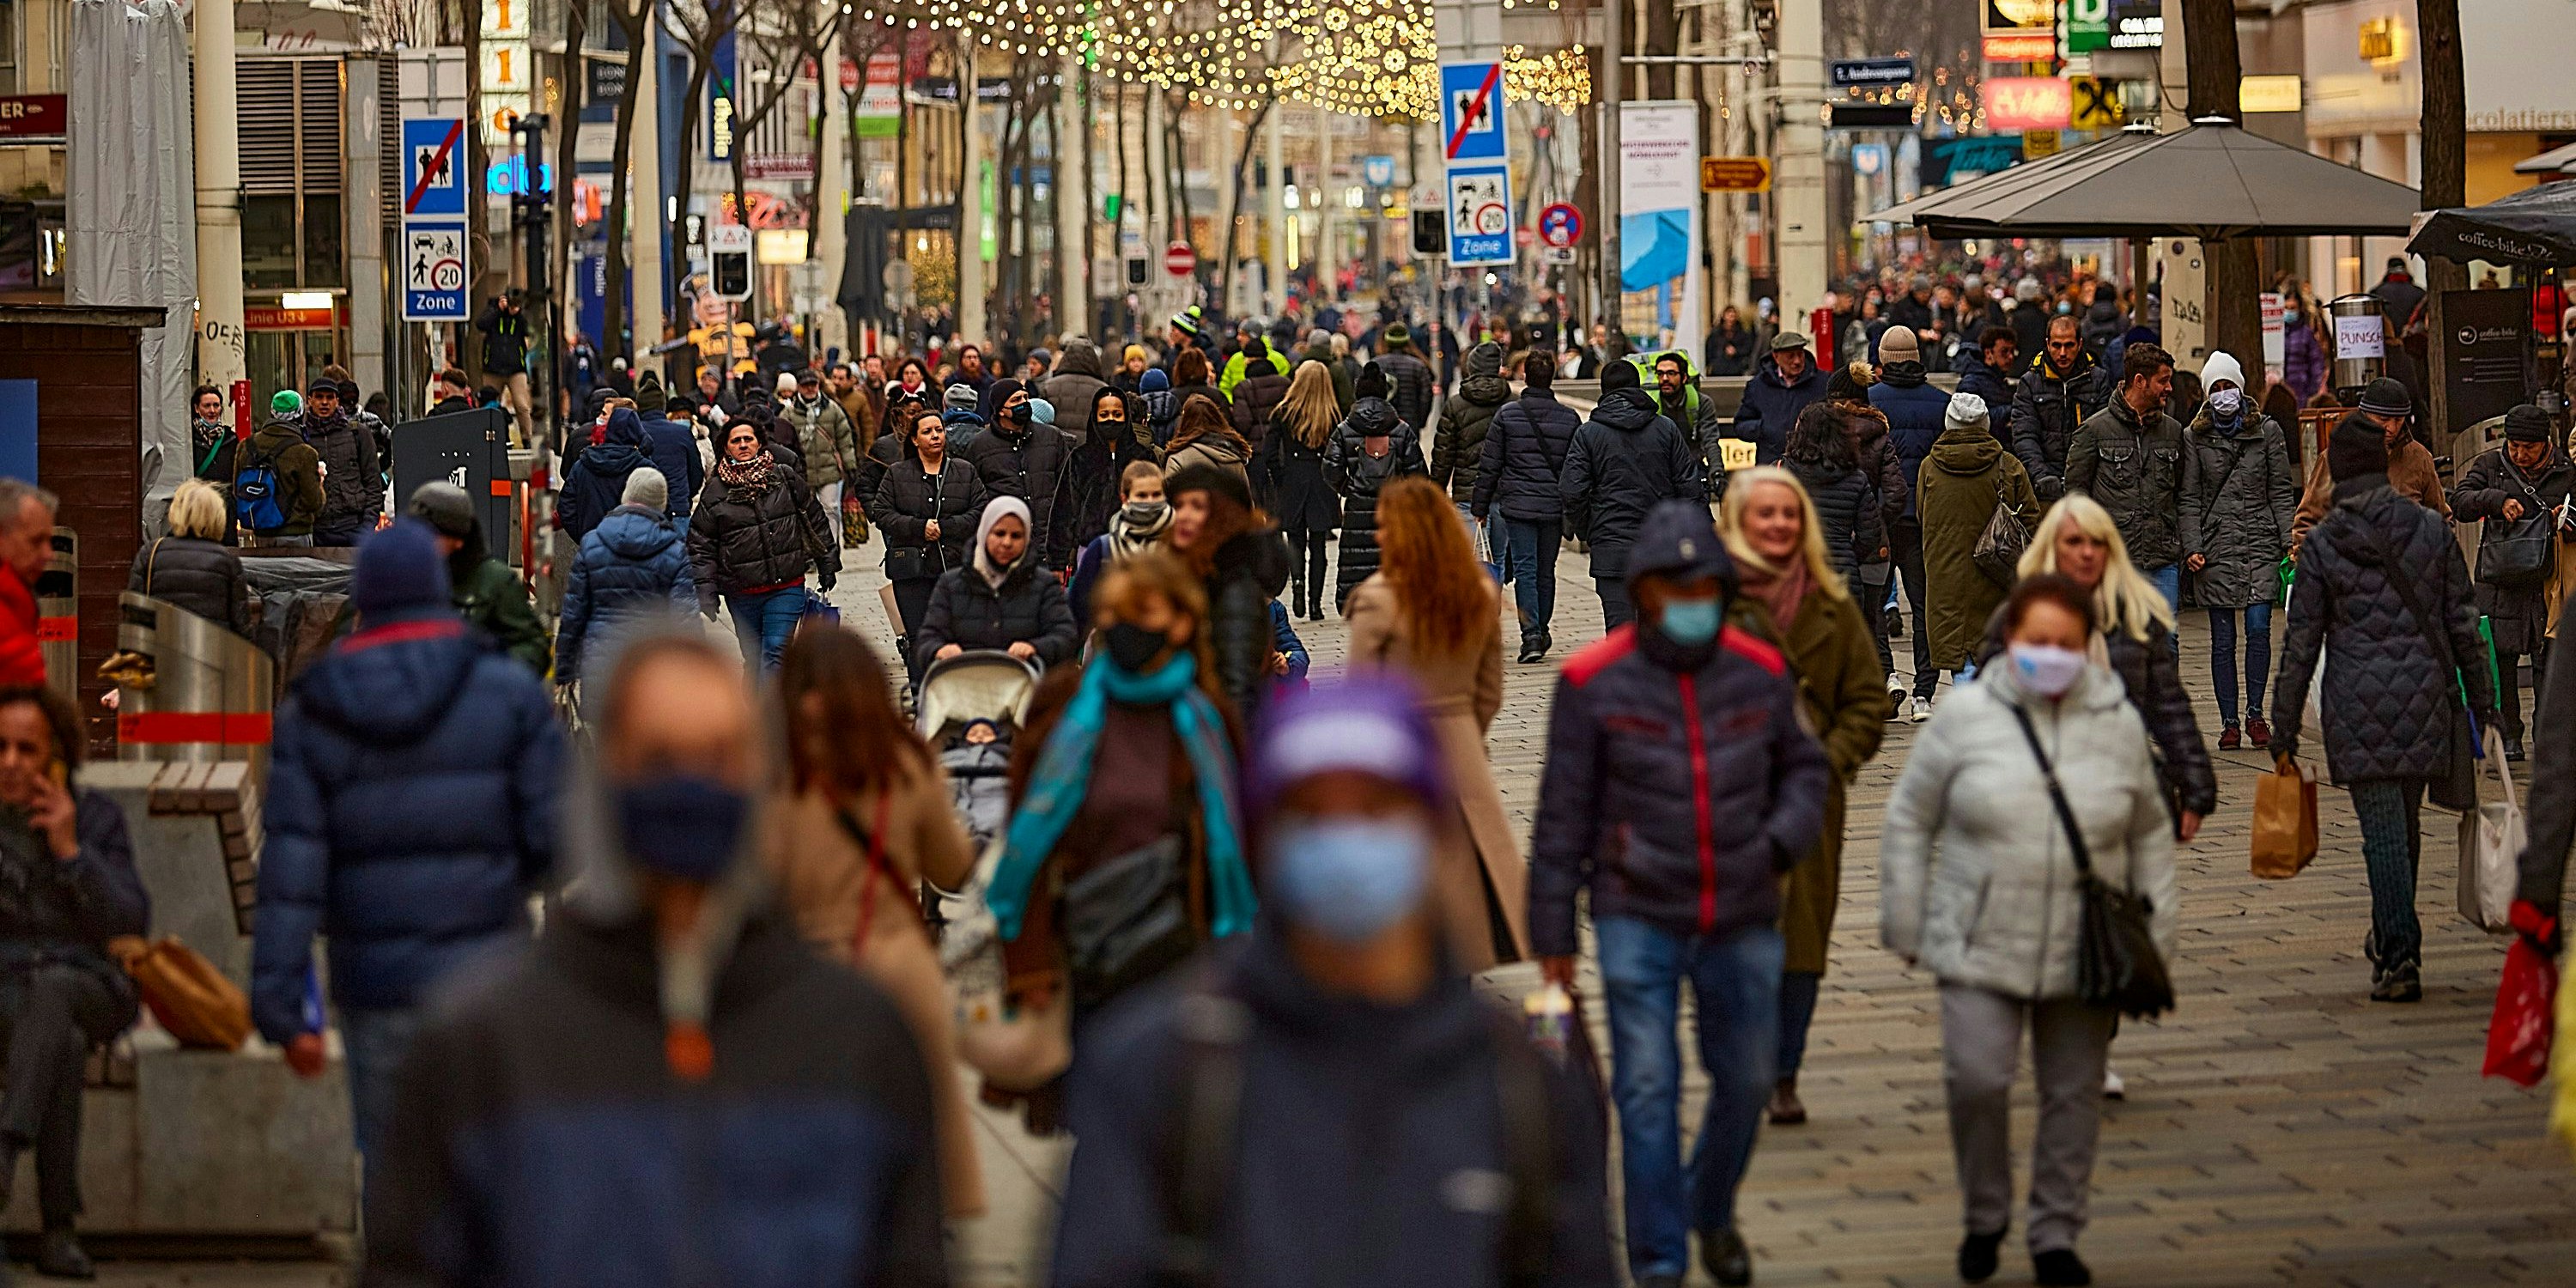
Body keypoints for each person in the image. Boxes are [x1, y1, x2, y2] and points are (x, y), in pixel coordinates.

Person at [361, 630, 947, 1287]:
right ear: (607, 772)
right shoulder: (483, 1044)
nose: (691, 786)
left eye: (718, 757)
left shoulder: (860, 1037)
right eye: (660, 759)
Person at [1050, 677, 1616, 1288]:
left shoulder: (1523, 1085)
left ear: (1432, 829)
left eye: (1377, 809)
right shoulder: (1156, 1071)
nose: (1346, 839)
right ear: (1266, 838)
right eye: (1310, 814)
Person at [1529, 501, 1828, 1288]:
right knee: (1646, 1088)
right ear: (1645, 593)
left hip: (1742, 905)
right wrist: (1552, 937)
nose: (1690, 603)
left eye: (1703, 589)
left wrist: (1778, 843)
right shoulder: (1593, 681)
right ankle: (1659, 1260)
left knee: (1749, 1078)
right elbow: (1562, 815)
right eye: (1674, 589)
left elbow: (1805, 769)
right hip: (1637, 909)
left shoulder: (1758, 670)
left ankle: (1710, 1207)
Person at [1880, 573, 2177, 1288]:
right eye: (2036, 641)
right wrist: (1905, 916)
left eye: (2065, 643)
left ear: (2088, 646)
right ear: (2010, 641)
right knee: (1977, 1079)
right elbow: (1911, 817)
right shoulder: (1967, 717)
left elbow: (2150, 833)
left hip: (2083, 943)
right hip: (1978, 937)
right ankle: (1986, 1212)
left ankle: (2055, 1231)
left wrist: (2157, 933)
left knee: (2073, 1095)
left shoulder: (2117, 722)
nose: (2051, 655)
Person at [253, 520, 565, 1175]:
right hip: (489, 974)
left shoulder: (315, 709)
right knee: (492, 1164)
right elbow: (556, 840)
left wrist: (282, 1004)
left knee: (395, 1165)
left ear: (364, 600)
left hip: (377, 983)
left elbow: (292, 870)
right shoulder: (508, 692)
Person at [987, 552, 1255, 1126]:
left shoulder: (1208, 720)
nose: (1122, 626)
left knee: (1184, 1122)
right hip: (1088, 959)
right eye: (1111, 613)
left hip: (1185, 957)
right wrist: (1028, 968)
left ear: (1181, 623)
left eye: (1142, 612)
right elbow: (1025, 844)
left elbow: (1244, 844)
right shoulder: (1062, 709)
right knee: (1100, 1124)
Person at [2273, 414, 2499, 1001]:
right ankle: (2390, 930)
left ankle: (2399, 953)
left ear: (2338, 473)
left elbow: (2301, 643)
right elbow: (2462, 624)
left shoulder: (2325, 544)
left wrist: (2284, 723)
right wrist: (2483, 700)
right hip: (2425, 699)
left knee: (2383, 833)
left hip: (2357, 705)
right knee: (2404, 826)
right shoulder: (2430, 531)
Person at [764, 626, 985, 1218]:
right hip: (898, 965)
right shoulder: (905, 764)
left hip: (803, 973)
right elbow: (952, 868)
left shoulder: (774, 773)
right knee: (922, 1119)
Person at [1712, 468, 1886, 1127]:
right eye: (1766, 513)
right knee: (1739, 938)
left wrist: (1827, 762)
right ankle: (1744, 1058)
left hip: (1809, 803)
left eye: (1790, 513)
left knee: (1803, 942)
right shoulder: (1707, 602)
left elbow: (1866, 701)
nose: (1780, 524)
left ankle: (1784, 1071)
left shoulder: (1831, 605)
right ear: (1737, 522)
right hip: (1729, 798)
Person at [1343, 477, 1522, 970]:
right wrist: (1464, 732)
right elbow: (1490, 690)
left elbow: (1361, 693)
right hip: (1461, 742)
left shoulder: (1378, 599)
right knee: (1462, 866)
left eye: (1385, 527)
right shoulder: (1478, 592)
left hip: (1397, 749)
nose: (1378, 535)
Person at [1980, 496, 2217, 853]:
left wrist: (2196, 788)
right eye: (2074, 542)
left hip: (2118, 790)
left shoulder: (2134, 616)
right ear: (2052, 549)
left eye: (2097, 542)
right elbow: (1986, 712)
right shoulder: (2019, 618)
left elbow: (2168, 707)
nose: (2087, 553)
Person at [2180, 351, 2300, 750]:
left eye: (2228, 385)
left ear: (2240, 387)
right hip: (2216, 547)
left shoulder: (2268, 432)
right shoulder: (2194, 436)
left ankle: (2255, 713)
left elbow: (2280, 490)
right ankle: (2229, 721)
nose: (2223, 394)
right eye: (2215, 388)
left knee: (2260, 628)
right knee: (2222, 639)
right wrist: (2193, 545)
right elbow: (2189, 496)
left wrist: (2290, 539)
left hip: (2260, 541)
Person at [2450, 404, 2576, 760]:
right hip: (2500, 582)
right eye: (2514, 445)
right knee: (2502, 663)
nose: (2520, 454)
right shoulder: (2491, 466)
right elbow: (2460, 501)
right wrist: (2496, 500)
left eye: (2528, 448)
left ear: (2546, 443)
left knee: (2546, 664)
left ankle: (2545, 736)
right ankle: (2509, 736)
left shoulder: (2566, 471)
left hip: (2546, 583)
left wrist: (2566, 521)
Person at [1918, 393, 2043, 718]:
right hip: (1998, 574)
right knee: (1995, 649)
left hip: (1947, 575)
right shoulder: (2008, 465)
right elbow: (2031, 519)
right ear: (1985, 424)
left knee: (1961, 658)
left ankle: (1972, 720)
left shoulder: (1929, 467)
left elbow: (1921, 515)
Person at [688, 416, 839, 671]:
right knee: (755, 658)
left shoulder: (784, 477)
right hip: (741, 592)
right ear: (726, 447)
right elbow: (701, 544)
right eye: (736, 440)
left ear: (759, 443)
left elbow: (814, 518)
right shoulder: (715, 491)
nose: (743, 444)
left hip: (786, 585)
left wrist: (828, 561)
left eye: (749, 439)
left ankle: (769, 699)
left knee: (776, 651)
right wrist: (705, 589)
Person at [1561, 361, 1704, 630]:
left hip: (1611, 545)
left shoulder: (1588, 434)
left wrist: (1589, 529)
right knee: (1661, 629)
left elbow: (1572, 490)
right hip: (1660, 544)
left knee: (1620, 633)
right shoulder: (1665, 429)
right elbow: (1689, 486)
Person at [1163, 464, 1291, 725]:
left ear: (1222, 516)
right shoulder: (1192, 573)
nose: (1184, 516)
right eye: (1178, 505)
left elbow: (1237, 688)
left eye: (1197, 506)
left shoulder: (1234, 589)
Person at [1476, 349, 1581, 661]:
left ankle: (1532, 634)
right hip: (1552, 506)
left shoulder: (1507, 415)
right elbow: (1576, 469)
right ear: (1552, 378)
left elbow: (1490, 465)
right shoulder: (1569, 418)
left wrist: (1480, 506)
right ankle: (1541, 627)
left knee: (1525, 569)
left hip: (1518, 506)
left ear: (1525, 376)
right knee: (1546, 570)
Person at [2064, 343, 2185, 610]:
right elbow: (2076, 496)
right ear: (2140, 381)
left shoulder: (2173, 432)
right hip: (2114, 558)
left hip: (2163, 557)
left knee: (2166, 632)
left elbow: (2182, 492)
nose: (2169, 388)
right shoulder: (2094, 431)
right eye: (2163, 381)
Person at [875, 407, 991, 678]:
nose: (935, 436)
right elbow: (882, 513)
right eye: (927, 432)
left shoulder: (964, 471)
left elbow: (980, 509)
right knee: (919, 637)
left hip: (956, 566)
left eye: (939, 430)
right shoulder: (897, 474)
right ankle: (920, 693)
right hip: (912, 572)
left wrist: (946, 528)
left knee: (957, 635)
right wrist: (919, 528)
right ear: (915, 439)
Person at [555, 470, 694, 691]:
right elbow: (685, 617)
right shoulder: (674, 551)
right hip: (651, 666)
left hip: (600, 662)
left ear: (626, 495)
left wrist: (564, 669)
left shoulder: (592, 543)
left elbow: (574, 614)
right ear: (661, 503)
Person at [915, 496, 1078, 671]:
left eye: (1016, 536)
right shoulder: (951, 584)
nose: (1007, 543)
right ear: (984, 533)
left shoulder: (1045, 585)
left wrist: (1036, 648)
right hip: (963, 681)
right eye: (999, 533)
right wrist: (939, 650)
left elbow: (1066, 636)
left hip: (1025, 682)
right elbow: (926, 639)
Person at [406, 482, 551, 674]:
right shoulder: (403, 577)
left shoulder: (495, 582)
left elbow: (533, 646)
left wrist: (489, 673)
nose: (419, 541)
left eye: (431, 535)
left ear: (457, 540)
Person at [2290, 378, 2448, 553]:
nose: (2392, 427)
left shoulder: (2419, 458)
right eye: (2383, 419)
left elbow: (2441, 519)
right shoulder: (2334, 458)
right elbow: (2306, 522)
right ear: (2365, 415)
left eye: (2398, 420)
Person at [1325, 368, 1429, 613]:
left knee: (1359, 561)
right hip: (1395, 509)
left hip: (1358, 508)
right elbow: (1418, 474)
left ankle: (1359, 608)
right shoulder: (1401, 430)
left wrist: (1348, 488)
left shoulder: (1344, 429)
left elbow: (1330, 467)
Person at [1256, 361, 1344, 621]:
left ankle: (1297, 585)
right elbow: (1339, 453)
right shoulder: (1331, 414)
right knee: (1319, 544)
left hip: (1293, 479)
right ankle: (1315, 603)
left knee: (1295, 540)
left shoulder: (1284, 412)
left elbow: (1270, 452)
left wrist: (1280, 477)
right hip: (1321, 481)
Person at [963, 378, 1078, 569]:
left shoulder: (1051, 437)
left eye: (1025, 397)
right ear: (1001, 410)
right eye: (1016, 400)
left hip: (1048, 546)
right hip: (1004, 549)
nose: (1024, 403)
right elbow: (973, 498)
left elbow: (1069, 488)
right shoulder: (979, 446)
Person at [129, 479, 253, 638]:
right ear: (217, 517)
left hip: (162, 647)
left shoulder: (151, 553)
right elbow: (240, 624)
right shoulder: (227, 561)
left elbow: (135, 611)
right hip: (211, 648)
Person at [2008, 315, 2111, 504]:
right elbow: (2024, 435)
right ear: (2048, 344)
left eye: (2069, 345)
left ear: (2080, 344)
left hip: (2087, 483)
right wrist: (2041, 474)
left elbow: (2103, 434)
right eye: (2057, 345)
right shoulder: (2030, 382)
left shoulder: (2098, 380)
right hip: (2044, 482)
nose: (2063, 353)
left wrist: (2082, 476)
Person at [1782, 402, 1885, 582]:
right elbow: (1870, 535)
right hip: (1842, 575)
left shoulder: (1781, 472)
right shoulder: (1856, 478)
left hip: (1792, 574)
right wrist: (1847, 556)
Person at [1069, 460, 1170, 629]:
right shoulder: (1102, 549)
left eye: (1156, 494)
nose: (1150, 502)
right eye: (1142, 495)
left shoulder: (1178, 544)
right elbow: (1079, 612)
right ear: (1125, 498)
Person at [1433, 341, 1511, 557]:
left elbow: (1443, 455)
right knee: (1499, 558)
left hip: (1468, 491)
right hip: (1504, 491)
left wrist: (1437, 490)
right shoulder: (1513, 403)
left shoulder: (1456, 405)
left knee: (1473, 558)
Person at [294, 377, 381, 546]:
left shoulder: (358, 433)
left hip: (353, 527)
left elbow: (373, 483)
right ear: (310, 400)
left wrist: (368, 526)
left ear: (337, 401)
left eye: (330, 397)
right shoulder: (301, 437)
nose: (324, 402)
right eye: (319, 397)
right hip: (316, 530)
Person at [785, 367, 861, 549]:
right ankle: (812, 550)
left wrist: (850, 465)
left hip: (829, 470)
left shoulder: (832, 409)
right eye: (806, 385)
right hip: (803, 473)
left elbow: (844, 438)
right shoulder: (789, 413)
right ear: (799, 387)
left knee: (831, 509)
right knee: (806, 514)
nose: (810, 388)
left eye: (813, 384)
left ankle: (831, 548)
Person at [559, 405, 653, 544]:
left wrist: (584, 536)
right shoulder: (645, 468)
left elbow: (566, 506)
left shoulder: (582, 465)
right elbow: (662, 508)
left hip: (593, 546)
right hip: (635, 548)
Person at [1734, 332, 1825, 467]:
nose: (1797, 361)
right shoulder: (1758, 386)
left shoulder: (1822, 382)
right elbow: (1741, 425)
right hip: (1770, 465)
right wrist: (1764, 428)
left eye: (1800, 354)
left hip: (1811, 466)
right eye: (1791, 356)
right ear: (1776, 357)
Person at [632, 372, 705, 531]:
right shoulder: (682, 433)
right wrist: (684, 496)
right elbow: (696, 472)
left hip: (641, 511)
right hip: (677, 510)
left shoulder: (633, 433)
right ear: (662, 406)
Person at [1163, 392, 1254, 487]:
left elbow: (1171, 493)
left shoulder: (1178, 459)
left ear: (1184, 422)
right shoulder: (1234, 455)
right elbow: (1245, 494)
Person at [1375, 322, 1437, 430]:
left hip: (1383, 424)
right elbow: (1426, 396)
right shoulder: (1418, 366)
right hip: (1410, 423)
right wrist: (1421, 421)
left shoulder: (1376, 365)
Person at [1955, 325, 2019, 422]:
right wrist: (2014, 409)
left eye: (2012, 351)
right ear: (1988, 353)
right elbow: (1972, 418)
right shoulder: (1971, 383)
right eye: (2004, 351)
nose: (2010, 357)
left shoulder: (2000, 382)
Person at [189, 383, 235, 488]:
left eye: (216, 405)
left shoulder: (231, 438)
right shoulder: (188, 439)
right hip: (198, 495)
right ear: (196, 408)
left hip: (224, 496)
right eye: (207, 406)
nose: (212, 411)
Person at [1707, 305, 1757, 376]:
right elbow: (1710, 351)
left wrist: (1736, 352)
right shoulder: (1715, 334)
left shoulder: (1743, 334)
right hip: (1718, 371)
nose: (1731, 319)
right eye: (1729, 315)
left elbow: (1748, 349)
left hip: (1737, 370)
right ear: (1724, 316)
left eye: (1733, 316)